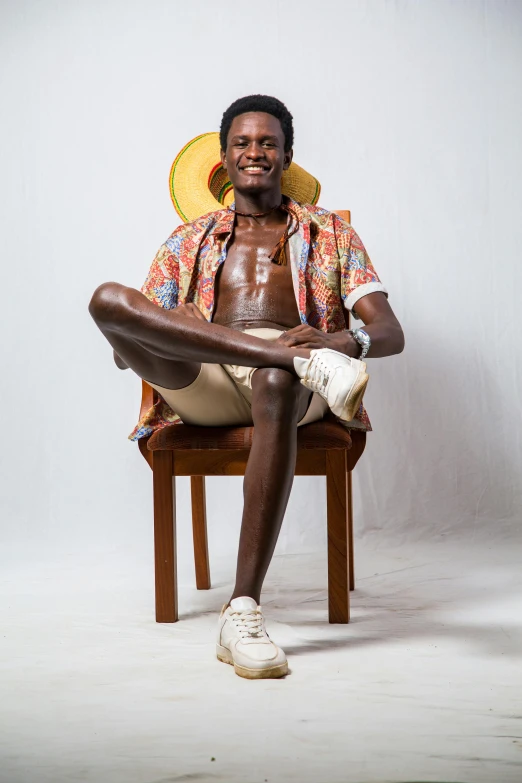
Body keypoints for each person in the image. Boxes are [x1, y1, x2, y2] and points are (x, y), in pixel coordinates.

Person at [89, 94, 404, 680]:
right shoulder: (187, 240)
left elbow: (388, 332)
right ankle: (282, 357)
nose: (254, 152)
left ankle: (242, 611)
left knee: (275, 380)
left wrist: (338, 344)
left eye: (267, 142)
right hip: (202, 376)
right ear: (223, 158)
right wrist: (181, 324)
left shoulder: (330, 234)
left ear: (287, 156)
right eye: (242, 142)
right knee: (106, 299)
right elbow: (122, 345)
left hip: (288, 388)